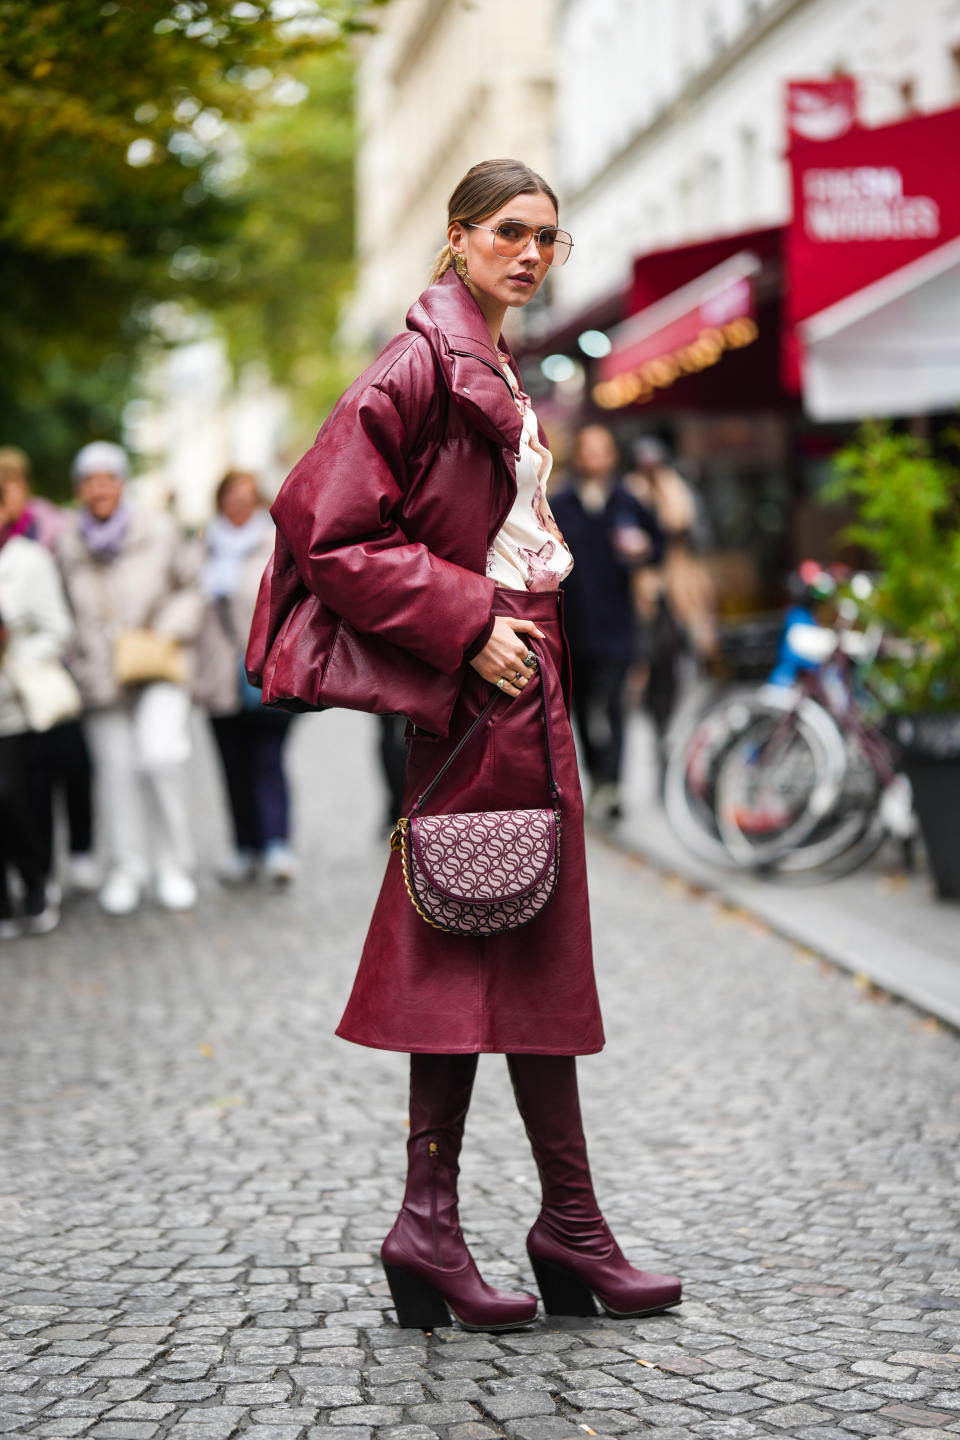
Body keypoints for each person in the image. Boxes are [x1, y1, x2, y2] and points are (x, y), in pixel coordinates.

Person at [260, 159, 682, 1331]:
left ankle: (506, 1226)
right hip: (485, 692)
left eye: (550, 236)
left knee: (516, 941)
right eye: (510, 231)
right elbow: (324, 527)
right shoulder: (422, 364)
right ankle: (483, 1227)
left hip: (521, 687)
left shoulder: (490, 360)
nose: (533, 253)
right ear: (456, 239)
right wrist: (465, 621)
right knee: (472, 934)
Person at [57, 442, 204, 915]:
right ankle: (128, 868)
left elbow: (193, 587)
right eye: (89, 480)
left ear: (121, 483)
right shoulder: (67, 544)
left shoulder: (159, 530)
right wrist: (75, 656)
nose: (99, 488)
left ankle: (174, 865)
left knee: (160, 757)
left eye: (107, 478)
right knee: (116, 774)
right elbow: (59, 609)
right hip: (99, 674)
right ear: (79, 489)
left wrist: (165, 629)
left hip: (155, 661)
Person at [550, 425, 663, 822]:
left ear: (613, 455)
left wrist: (644, 550)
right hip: (573, 623)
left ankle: (613, 783)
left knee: (615, 704)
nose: (596, 458)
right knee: (579, 708)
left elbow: (657, 543)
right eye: (589, 450)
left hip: (617, 621)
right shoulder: (559, 503)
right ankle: (596, 774)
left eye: (603, 449)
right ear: (578, 455)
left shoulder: (627, 501)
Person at [0, 446, 97, 893]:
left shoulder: (53, 530)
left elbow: (67, 608)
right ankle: (35, 873)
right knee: (23, 788)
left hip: (51, 673)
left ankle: (73, 855)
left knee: (66, 768)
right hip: (14, 686)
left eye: (12, 481)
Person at [194, 469, 297, 885]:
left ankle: (277, 845)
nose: (238, 504)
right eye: (231, 496)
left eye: (246, 497)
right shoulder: (200, 549)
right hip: (217, 675)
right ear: (219, 501)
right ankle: (243, 847)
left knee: (268, 761)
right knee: (232, 767)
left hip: (267, 672)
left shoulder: (275, 545)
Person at [0, 471, 75, 936]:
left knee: (12, 797)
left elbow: (57, 628)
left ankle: (35, 882)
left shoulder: (28, 560)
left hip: (13, 705)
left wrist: (12, 656)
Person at [628, 438, 717, 781]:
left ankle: (669, 729)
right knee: (651, 655)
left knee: (680, 656)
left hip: (680, 583)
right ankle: (656, 723)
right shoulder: (631, 492)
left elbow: (692, 529)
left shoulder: (677, 489)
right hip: (643, 587)